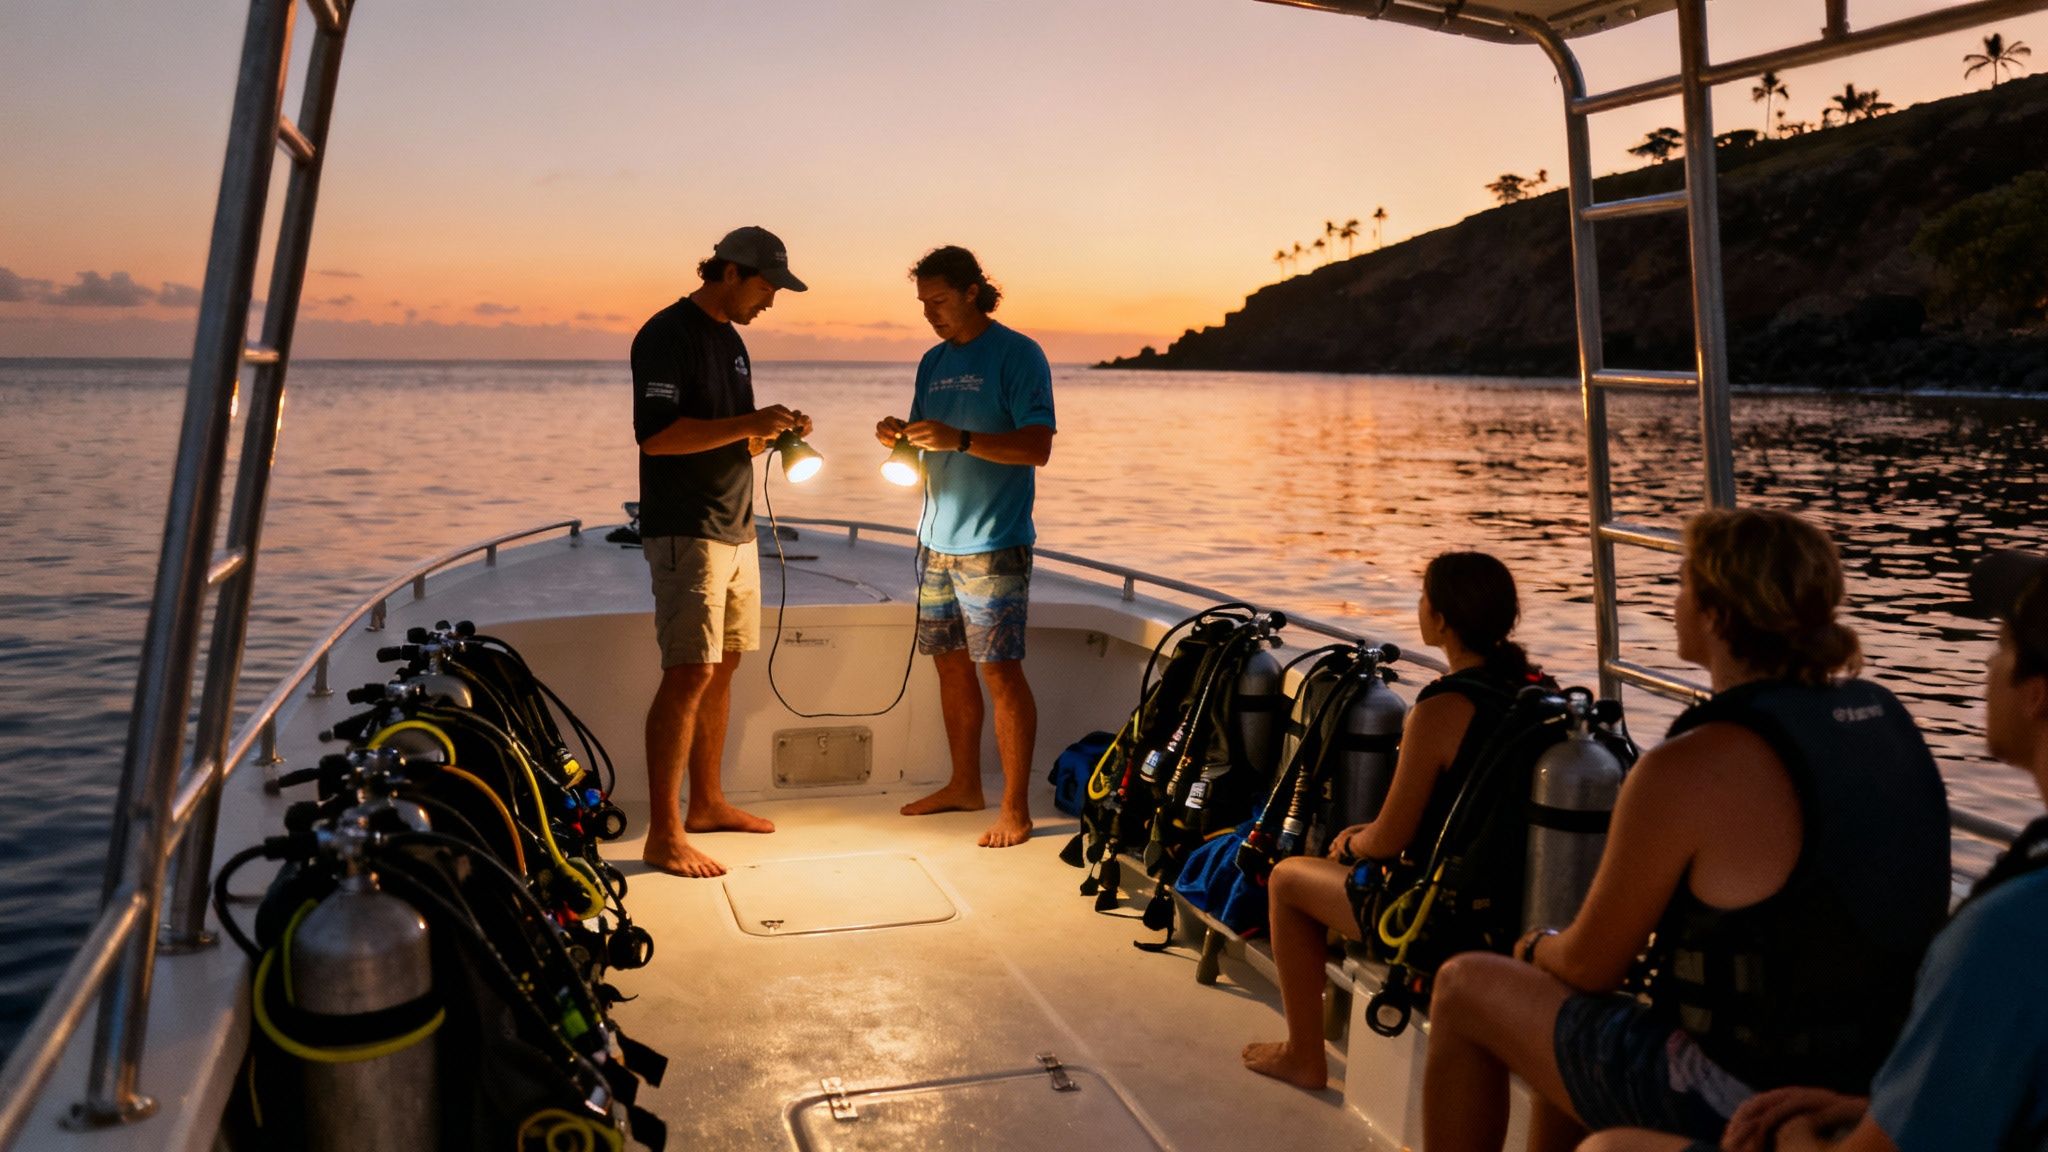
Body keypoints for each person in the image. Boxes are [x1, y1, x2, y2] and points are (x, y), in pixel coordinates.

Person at [1420, 508, 1951, 1152]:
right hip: (1873, 1085)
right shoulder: (1886, 720)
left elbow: (1590, 964)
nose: (1674, 604)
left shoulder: (1689, 764)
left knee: (1466, 986)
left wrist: (1535, 947)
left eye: (1681, 587)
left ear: (1718, 613)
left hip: (1739, 1097)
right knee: (1577, 1020)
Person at [1580, 550, 2048, 1152]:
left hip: (1772, 1089)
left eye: (2002, 647)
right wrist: (1871, 1105)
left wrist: (1798, 1132)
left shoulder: (2007, 934)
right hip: (1871, 1080)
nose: (1986, 664)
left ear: (2036, 694)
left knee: (1608, 1150)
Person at [1243, 551, 1546, 1091]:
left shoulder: (1440, 709)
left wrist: (1353, 842)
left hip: (1439, 919)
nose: (1420, 606)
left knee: (1289, 878)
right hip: (1515, 912)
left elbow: (1390, 839)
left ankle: (1304, 1054)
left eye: (1424, 597)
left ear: (1443, 618)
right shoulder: (1534, 692)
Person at [633, 226, 811, 878]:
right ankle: (664, 833)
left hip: (737, 528)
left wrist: (774, 430)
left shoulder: (733, 345)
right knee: (689, 671)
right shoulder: (666, 335)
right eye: (768, 286)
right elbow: (658, 439)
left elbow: (732, 439)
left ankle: (707, 803)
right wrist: (746, 423)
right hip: (687, 529)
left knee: (725, 663)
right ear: (732, 273)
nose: (772, 300)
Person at [873, 246, 1055, 848]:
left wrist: (964, 438)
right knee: (949, 664)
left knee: (1000, 672)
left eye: (940, 302)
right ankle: (963, 785)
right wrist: (900, 439)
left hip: (994, 542)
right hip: (934, 541)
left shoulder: (1019, 354)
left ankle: (1015, 809)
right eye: (924, 305)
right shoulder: (931, 362)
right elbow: (930, 442)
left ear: (974, 291)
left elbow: (1035, 448)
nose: (931, 315)